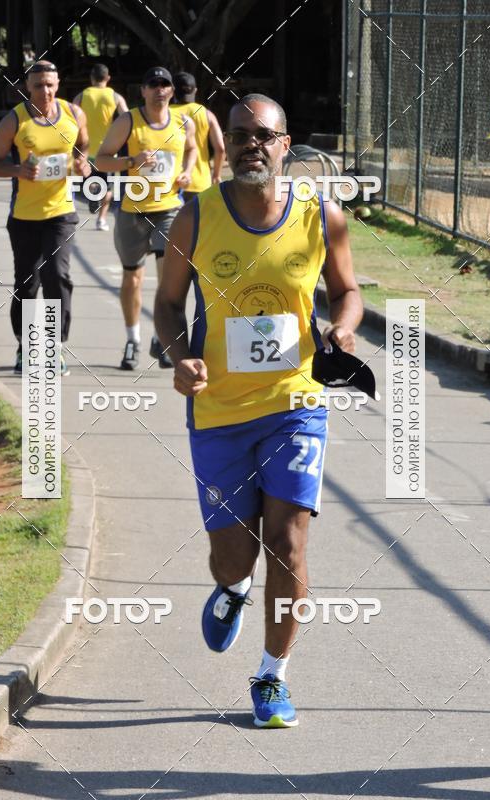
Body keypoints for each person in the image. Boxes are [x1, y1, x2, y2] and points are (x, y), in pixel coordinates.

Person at [155, 94, 363, 728]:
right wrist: (179, 356)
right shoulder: (196, 216)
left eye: (263, 135)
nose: (251, 145)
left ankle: (272, 675)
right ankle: (233, 588)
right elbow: (166, 303)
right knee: (234, 555)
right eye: (240, 134)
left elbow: (348, 291)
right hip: (218, 409)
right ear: (228, 146)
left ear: (284, 144)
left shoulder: (321, 215)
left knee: (287, 542)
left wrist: (344, 328)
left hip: (296, 403)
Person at [0, 60, 91, 375]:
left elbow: (83, 145)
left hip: (61, 213)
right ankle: (26, 346)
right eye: (39, 85)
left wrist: (83, 163)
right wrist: (18, 170)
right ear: (27, 87)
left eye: (50, 85)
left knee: (58, 277)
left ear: (58, 85)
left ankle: (55, 346)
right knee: (27, 283)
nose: (45, 91)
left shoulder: (73, 114)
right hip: (24, 216)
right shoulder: (14, 121)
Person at [96, 66, 197, 370]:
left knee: (169, 280)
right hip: (133, 212)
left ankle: (161, 338)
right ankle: (133, 340)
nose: (159, 90)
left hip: (169, 209)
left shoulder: (183, 122)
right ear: (143, 91)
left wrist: (187, 171)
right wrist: (132, 161)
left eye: (164, 84)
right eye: (153, 84)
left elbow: (192, 148)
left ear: (172, 91)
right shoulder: (128, 121)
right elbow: (101, 159)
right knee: (133, 278)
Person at [73, 63, 128, 231]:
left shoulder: (82, 96)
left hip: (86, 149)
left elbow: (71, 116)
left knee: (90, 180)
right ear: (108, 78)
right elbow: (127, 117)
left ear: (91, 78)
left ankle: (93, 192)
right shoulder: (115, 97)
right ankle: (101, 220)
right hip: (108, 150)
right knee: (109, 186)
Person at [172, 71, 225, 201]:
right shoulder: (206, 114)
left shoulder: (165, 115)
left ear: (172, 91)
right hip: (201, 182)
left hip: (173, 182)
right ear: (195, 90)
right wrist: (216, 175)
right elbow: (220, 148)